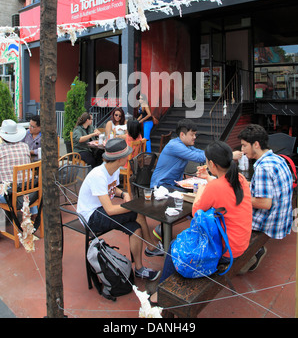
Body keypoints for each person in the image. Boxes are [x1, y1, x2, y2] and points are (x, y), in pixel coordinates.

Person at [150, 141, 252, 304]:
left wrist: (201, 190)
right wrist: (208, 177)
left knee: (174, 246)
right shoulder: (238, 178)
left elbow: (196, 212)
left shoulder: (215, 187)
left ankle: (161, 293)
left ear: (211, 164)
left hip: (226, 251)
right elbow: (223, 187)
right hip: (241, 242)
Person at [77, 138, 163, 281]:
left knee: (135, 227)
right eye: (126, 155)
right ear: (119, 159)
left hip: (100, 210)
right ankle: (151, 247)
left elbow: (112, 188)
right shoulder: (98, 175)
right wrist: (131, 207)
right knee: (137, 212)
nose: (129, 156)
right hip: (90, 217)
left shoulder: (113, 169)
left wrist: (124, 193)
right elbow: (110, 210)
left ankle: (140, 269)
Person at [238, 124, 293, 271]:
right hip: (282, 217)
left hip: (269, 221)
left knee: (225, 213)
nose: (242, 150)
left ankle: (248, 253)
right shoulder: (277, 159)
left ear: (256, 144)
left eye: (244, 146)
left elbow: (264, 203)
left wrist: (238, 198)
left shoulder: (262, 167)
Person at [150, 119, 242, 192]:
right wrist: (229, 155)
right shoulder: (175, 145)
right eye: (192, 134)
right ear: (182, 135)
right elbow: (198, 157)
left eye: (195, 134)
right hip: (161, 185)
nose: (194, 137)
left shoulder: (186, 145)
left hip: (174, 183)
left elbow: (201, 153)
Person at [0, 119, 38, 214]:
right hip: (30, 192)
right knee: (25, 184)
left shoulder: (1, 149)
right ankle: (34, 214)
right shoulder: (25, 146)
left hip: (10, 195)